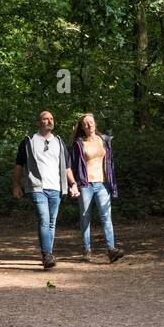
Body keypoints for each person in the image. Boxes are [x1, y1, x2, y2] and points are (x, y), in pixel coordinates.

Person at [12, 110, 78, 269]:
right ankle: (47, 255)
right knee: (44, 218)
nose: (49, 121)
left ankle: (48, 254)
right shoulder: (28, 142)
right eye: (45, 119)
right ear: (38, 123)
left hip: (56, 188)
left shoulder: (60, 142)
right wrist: (16, 185)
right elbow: (18, 166)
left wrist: (73, 184)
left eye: (51, 118)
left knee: (51, 223)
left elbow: (66, 167)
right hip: (37, 187)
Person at [70, 113, 124, 263]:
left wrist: (111, 182)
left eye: (91, 122)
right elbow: (72, 166)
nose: (89, 125)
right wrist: (73, 185)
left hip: (103, 184)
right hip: (85, 185)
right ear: (82, 127)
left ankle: (111, 250)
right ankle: (87, 250)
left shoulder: (105, 140)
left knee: (106, 217)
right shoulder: (79, 144)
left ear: (95, 123)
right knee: (85, 218)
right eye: (86, 123)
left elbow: (109, 163)